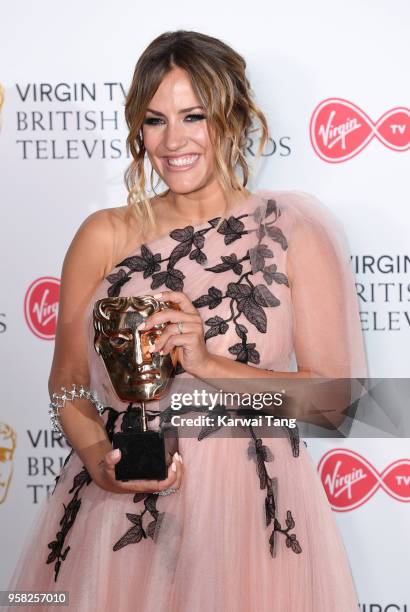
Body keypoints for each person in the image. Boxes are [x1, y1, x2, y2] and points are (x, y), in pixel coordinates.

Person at [6, 30, 368, 611]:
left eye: (193, 116)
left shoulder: (292, 231)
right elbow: (68, 383)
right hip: (120, 511)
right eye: (154, 121)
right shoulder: (104, 234)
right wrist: (100, 461)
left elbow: (335, 403)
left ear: (233, 116)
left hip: (249, 512)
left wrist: (207, 364)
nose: (173, 141)